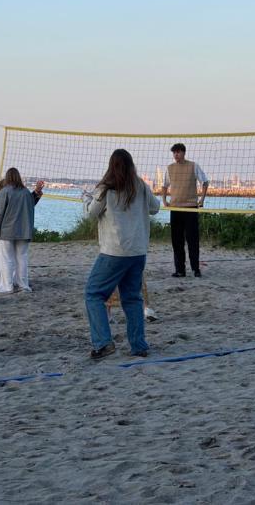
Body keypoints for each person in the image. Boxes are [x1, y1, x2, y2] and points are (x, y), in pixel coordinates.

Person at [85, 149, 160, 359]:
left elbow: (91, 213)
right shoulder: (140, 186)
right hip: (137, 252)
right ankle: (139, 346)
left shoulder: (106, 189)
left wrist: (86, 199)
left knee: (93, 294)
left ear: (112, 166)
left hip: (114, 251)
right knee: (133, 298)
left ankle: (103, 343)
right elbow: (155, 208)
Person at [0, 168, 44, 293]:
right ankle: (23, 285)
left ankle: (7, 286)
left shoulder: (4, 192)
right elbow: (31, 205)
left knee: (7, 259)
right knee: (22, 258)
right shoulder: (26, 192)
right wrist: (36, 192)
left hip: (7, 230)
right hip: (24, 230)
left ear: (8, 177)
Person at [161, 143, 209, 278]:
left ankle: (195, 269)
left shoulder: (193, 166)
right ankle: (180, 270)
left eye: (178, 152)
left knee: (193, 240)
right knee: (177, 241)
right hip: (175, 208)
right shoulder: (170, 168)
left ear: (183, 153)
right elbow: (164, 186)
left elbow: (205, 182)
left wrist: (202, 200)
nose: (176, 155)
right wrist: (164, 201)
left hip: (191, 208)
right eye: (174, 153)